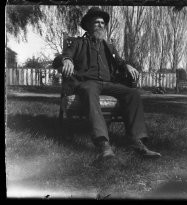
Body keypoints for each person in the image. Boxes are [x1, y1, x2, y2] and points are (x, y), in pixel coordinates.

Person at [53, 7, 161, 159]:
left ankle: (136, 141)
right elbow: (60, 57)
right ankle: (103, 144)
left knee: (133, 93)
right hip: (87, 83)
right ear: (89, 25)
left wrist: (127, 65)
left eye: (103, 23)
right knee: (90, 91)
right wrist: (66, 60)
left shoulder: (108, 47)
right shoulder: (77, 42)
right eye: (96, 22)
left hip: (108, 83)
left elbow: (120, 61)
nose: (101, 25)